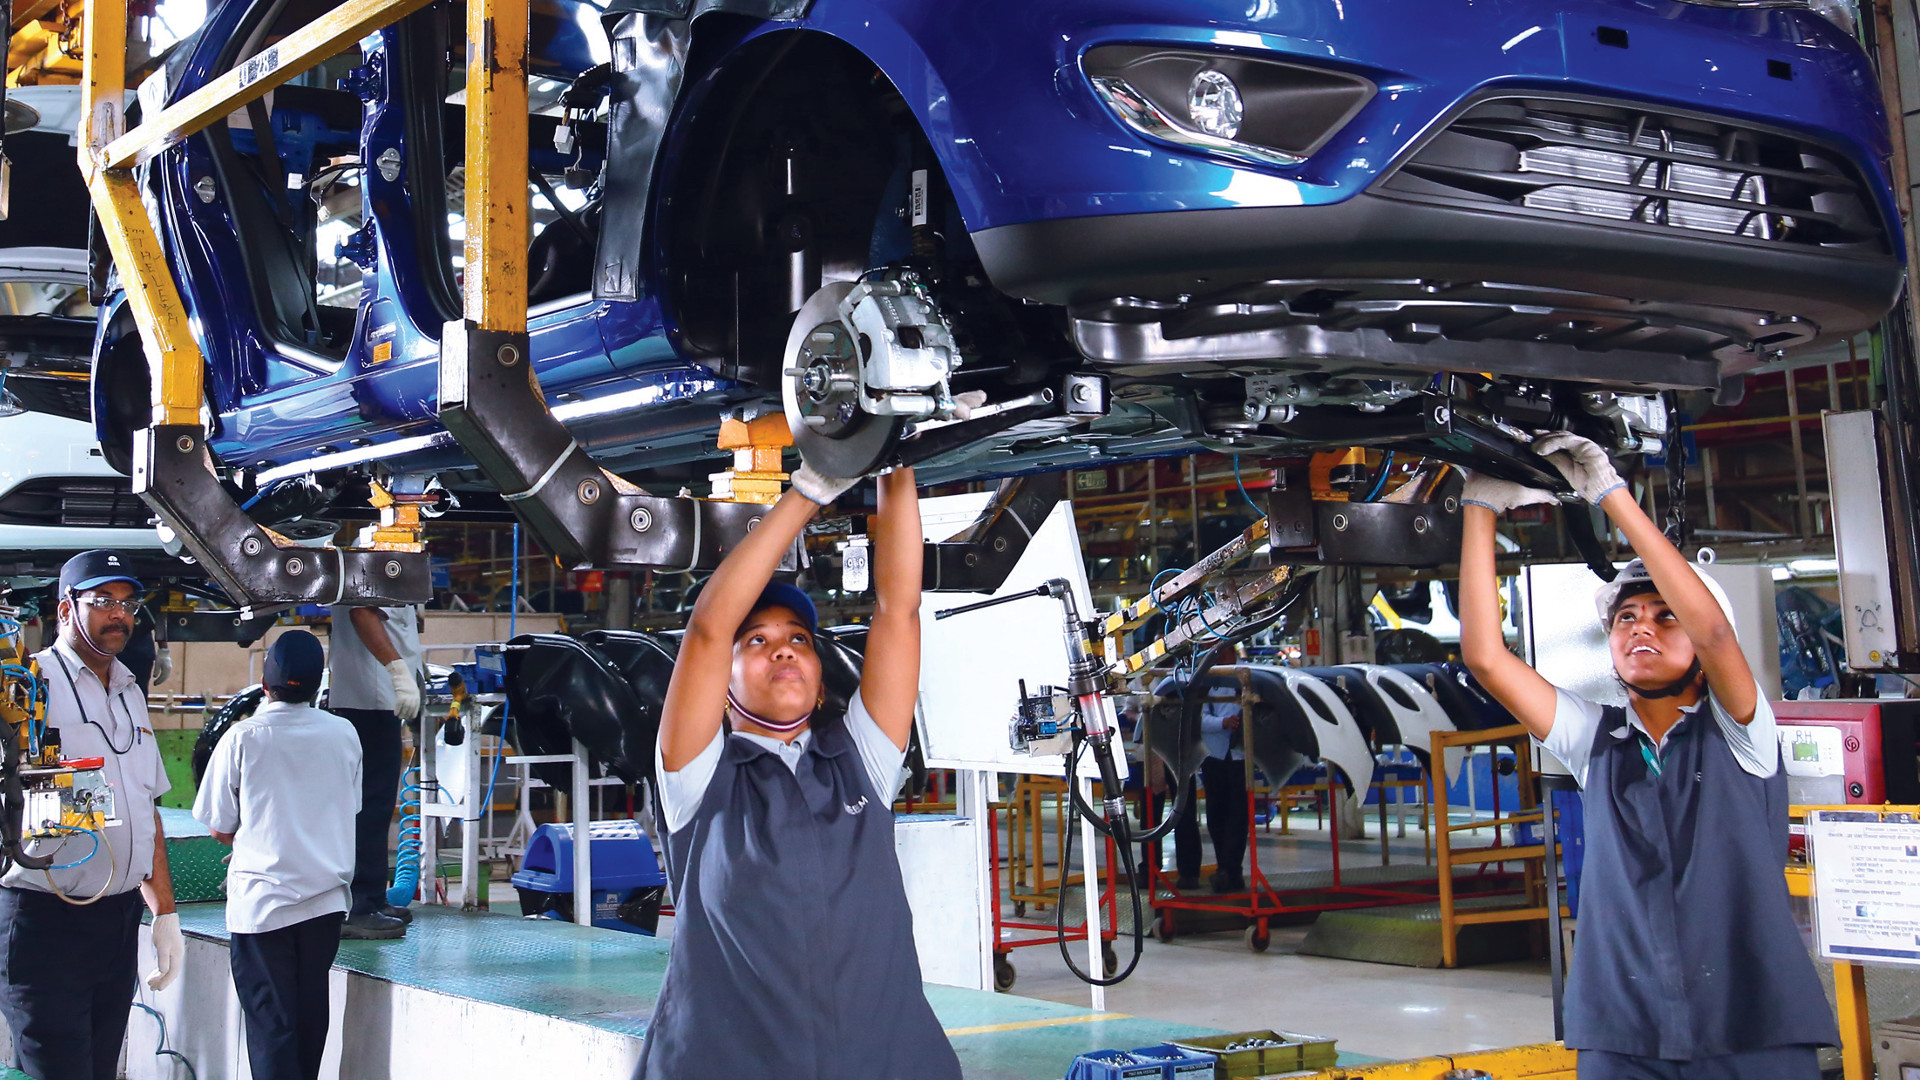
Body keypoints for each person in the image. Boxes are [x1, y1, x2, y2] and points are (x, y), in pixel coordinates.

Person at [1458, 433, 1838, 1080]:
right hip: (1623, 1030)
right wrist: (1479, 509)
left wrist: (1612, 497)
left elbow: (1715, 631)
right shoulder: (1595, 742)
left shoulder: (1744, 735)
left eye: (1666, 618)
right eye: (1626, 617)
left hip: (1751, 1027)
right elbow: (1486, 660)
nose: (1641, 628)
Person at [633, 463, 960, 1080]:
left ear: (816, 676)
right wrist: (809, 491)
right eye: (754, 641)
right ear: (720, 686)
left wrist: (894, 456)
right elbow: (707, 629)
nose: (783, 648)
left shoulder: (859, 760)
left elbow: (899, 612)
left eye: (798, 639)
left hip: (881, 1061)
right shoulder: (699, 777)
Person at [0, 550, 182, 1080]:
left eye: (128, 603)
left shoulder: (129, 692)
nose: (118, 615)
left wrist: (163, 912)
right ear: (65, 611)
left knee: (102, 1069)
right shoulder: (28, 685)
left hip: (116, 920)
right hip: (44, 921)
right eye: (102, 601)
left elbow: (146, 806)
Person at [193, 630, 360, 1080]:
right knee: (310, 1024)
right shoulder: (345, 734)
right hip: (325, 905)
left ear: (264, 683)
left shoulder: (243, 737)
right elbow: (351, 808)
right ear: (317, 685)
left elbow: (217, 826)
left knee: (272, 1030)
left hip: (263, 909)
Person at [326, 603, 423, 939]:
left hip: (379, 700)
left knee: (378, 806)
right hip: (367, 698)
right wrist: (398, 672)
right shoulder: (375, 554)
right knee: (365, 807)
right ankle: (358, 906)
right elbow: (362, 613)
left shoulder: (390, 558)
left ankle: (372, 896)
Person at [1172, 686, 1248, 893]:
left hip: (1240, 758)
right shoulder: (1209, 681)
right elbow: (1199, 718)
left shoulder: (1245, 679)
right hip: (1214, 757)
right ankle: (1224, 867)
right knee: (1216, 815)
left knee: (1239, 816)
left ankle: (1232, 870)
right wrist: (1223, 723)